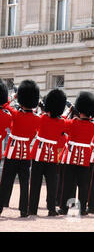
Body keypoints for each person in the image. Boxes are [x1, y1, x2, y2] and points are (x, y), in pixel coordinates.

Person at [0, 80, 41, 218]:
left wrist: (14, 96)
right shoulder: (37, 119)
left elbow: (4, 104)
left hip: (12, 152)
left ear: (22, 101)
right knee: (24, 183)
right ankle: (24, 209)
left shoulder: (16, 115)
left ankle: (0, 206)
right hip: (26, 154)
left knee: (6, 181)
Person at [58, 91, 94, 216]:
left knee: (68, 184)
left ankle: (64, 208)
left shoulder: (72, 122)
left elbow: (61, 122)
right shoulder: (93, 126)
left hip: (71, 157)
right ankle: (82, 208)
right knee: (83, 185)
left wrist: (69, 111)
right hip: (85, 157)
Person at [28, 89, 67, 217]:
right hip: (52, 156)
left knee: (35, 184)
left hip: (39, 154)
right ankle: (51, 209)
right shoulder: (62, 122)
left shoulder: (41, 118)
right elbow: (64, 119)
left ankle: (32, 209)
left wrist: (42, 108)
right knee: (52, 185)